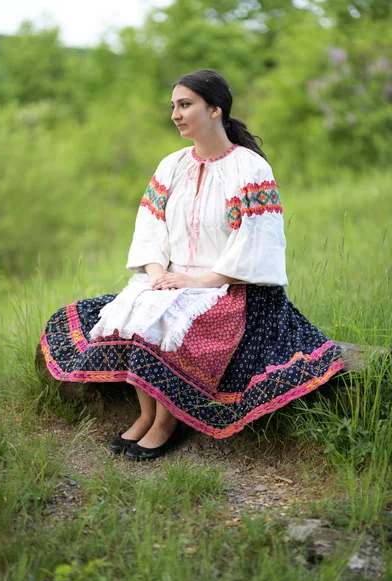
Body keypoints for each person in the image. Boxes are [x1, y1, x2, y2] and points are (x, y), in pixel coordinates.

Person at [41, 69, 344, 460]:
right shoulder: (172, 165)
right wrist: (156, 277)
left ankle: (169, 423)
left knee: (169, 321)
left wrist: (198, 281)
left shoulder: (250, 169)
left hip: (227, 283)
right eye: (173, 106)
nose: (175, 115)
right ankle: (147, 413)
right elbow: (150, 227)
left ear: (215, 109)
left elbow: (255, 243)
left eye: (185, 105)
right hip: (170, 275)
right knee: (133, 310)